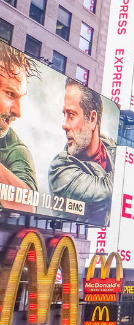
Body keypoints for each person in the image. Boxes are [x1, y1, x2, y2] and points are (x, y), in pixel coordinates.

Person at [49, 79, 116, 225]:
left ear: (92, 119)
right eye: (64, 114)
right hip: (78, 237)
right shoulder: (59, 169)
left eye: (71, 115)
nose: (64, 125)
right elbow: (108, 188)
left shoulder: (110, 148)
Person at [0, 42, 38, 212]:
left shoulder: (16, 150)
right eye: (10, 94)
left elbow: (26, 205)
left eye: (19, 97)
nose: (18, 112)